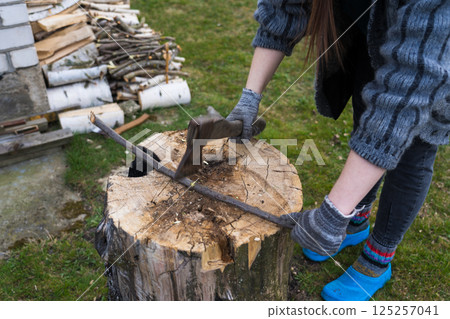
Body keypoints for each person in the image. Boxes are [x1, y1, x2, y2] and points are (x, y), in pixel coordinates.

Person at [226, 0, 449, 301]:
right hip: (370, 36)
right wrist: (249, 98)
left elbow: (405, 95)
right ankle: (355, 220)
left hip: (433, 65)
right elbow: (284, 9)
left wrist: (332, 212)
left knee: (413, 153)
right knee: (366, 120)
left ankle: (378, 257)